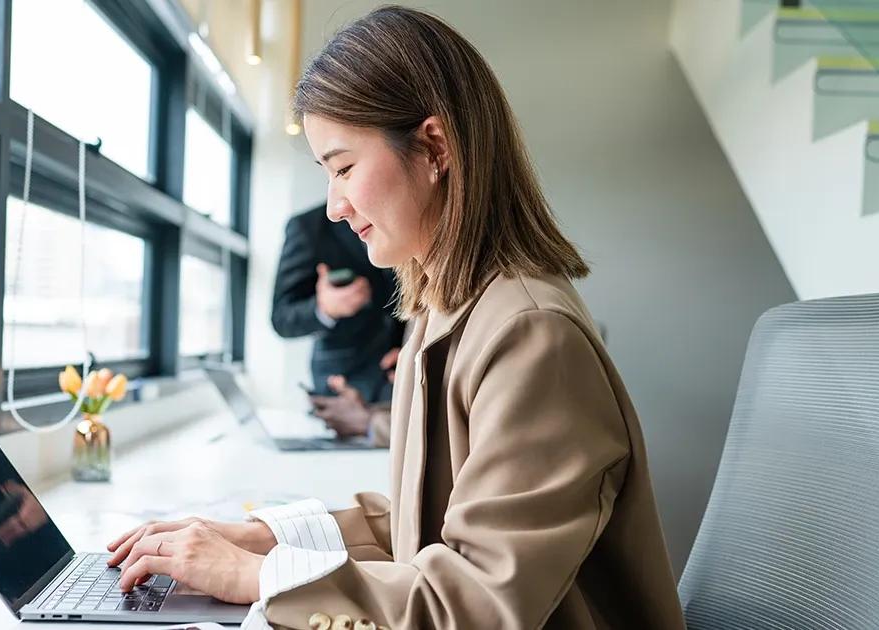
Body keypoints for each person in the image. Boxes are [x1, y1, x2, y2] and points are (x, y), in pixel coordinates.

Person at [105, 7, 686, 629]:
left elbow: (477, 607)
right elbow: (418, 522)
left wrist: (253, 578)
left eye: (344, 167)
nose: (334, 206)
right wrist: (257, 539)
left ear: (434, 147)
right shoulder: (447, 306)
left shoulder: (530, 335)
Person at [272, 202, 404, 404]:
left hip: (399, 366)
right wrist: (324, 308)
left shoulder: (399, 215)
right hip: (342, 377)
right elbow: (282, 318)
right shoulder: (308, 227)